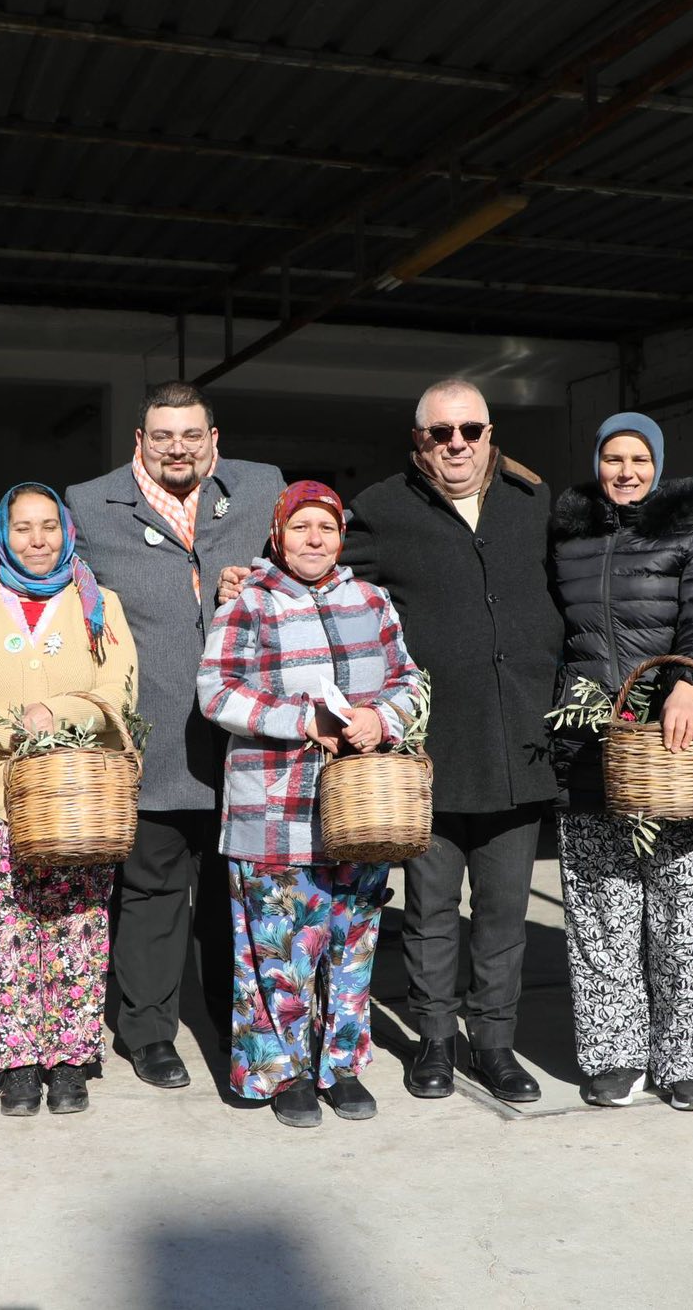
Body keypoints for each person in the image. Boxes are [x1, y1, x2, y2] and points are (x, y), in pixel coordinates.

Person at [0, 382, 283, 1089]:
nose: (178, 448)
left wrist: (263, 578)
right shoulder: (92, 502)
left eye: (192, 434)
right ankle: (149, 1033)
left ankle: (231, 1021)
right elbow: (35, 549)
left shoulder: (260, 486)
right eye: (163, 436)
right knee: (151, 895)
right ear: (139, 441)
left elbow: (310, 547)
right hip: (149, 738)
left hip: (246, 738)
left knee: (231, 895)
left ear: (215, 439)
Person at [338, 378, 558, 1104]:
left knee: (502, 913)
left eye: (469, 430)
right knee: (430, 911)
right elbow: (324, 582)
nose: (455, 444)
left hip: (517, 744)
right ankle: (434, 1040)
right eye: (440, 433)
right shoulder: (380, 508)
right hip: (428, 754)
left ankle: (494, 1044)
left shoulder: (537, 504)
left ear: (491, 434)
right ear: (418, 441)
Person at [197, 482, 425, 1127]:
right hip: (273, 809)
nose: (315, 539)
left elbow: (410, 679)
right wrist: (301, 720)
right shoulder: (251, 603)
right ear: (278, 535)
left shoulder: (372, 601)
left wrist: (382, 718)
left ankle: (343, 1066)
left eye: (326, 527)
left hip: (361, 808)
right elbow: (215, 691)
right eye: (302, 528)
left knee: (351, 943)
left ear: (341, 537)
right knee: (277, 949)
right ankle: (283, 1073)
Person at [0, 484, 140, 1116]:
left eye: (49, 526)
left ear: (68, 531)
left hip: (74, 797)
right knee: (7, 931)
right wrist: (17, 729)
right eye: (23, 528)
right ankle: (17, 1061)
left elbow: (117, 689)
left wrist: (61, 714)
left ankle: (72, 1058)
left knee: (77, 928)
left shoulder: (100, 605)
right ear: (1, 535)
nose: (38, 540)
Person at [548, 413, 693, 1110]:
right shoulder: (567, 537)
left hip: (668, 748)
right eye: (613, 458)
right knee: (600, 909)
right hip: (588, 744)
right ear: (597, 462)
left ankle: (682, 1056)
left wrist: (687, 684)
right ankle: (612, 1053)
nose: (626, 472)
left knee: (677, 911)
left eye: (639, 459)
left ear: (658, 464)